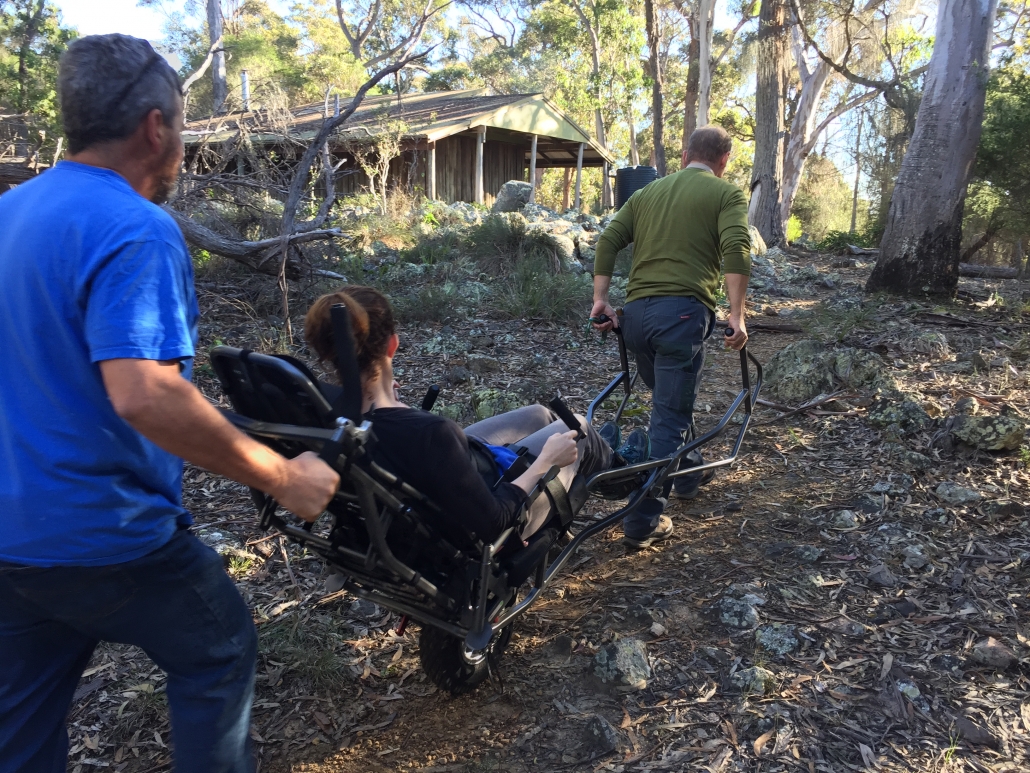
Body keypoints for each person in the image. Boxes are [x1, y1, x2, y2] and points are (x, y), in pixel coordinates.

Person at [0, 36, 339, 773]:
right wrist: (284, 478)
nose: (183, 143)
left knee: (20, 728)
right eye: (183, 125)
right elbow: (146, 393)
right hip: (107, 536)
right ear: (156, 127)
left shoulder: (9, 214)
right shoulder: (135, 227)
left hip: (12, 536)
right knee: (218, 647)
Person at [303, 286, 649, 547]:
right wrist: (545, 461)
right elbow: (493, 521)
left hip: (434, 493)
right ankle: (626, 477)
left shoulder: (331, 424)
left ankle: (607, 457)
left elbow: (401, 443)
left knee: (539, 414)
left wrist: (394, 406)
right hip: (487, 522)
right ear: (392, 344)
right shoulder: (428, 432)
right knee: (580, 428)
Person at [590, 125, 751, 549]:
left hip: (637, 317)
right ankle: (644, 519)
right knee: (669, 413)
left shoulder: (646, 194)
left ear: (683, 156)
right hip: (681, 314)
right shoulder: (725, 194)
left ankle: (689, 471)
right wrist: (736, 314)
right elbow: (736, 248)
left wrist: (601, 301)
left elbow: (608, 239)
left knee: (670, 395)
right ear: (723, 161)